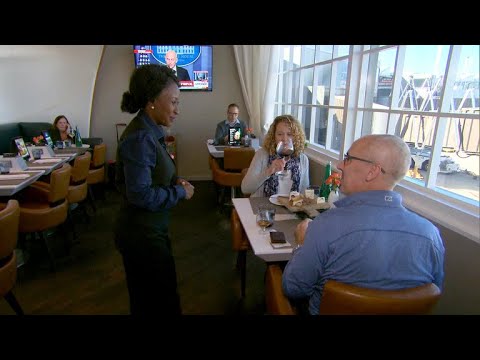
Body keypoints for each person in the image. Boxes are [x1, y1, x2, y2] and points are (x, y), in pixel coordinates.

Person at [282, 134, 445, 315]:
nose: (340, 165)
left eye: (348, 159)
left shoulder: (325, 225)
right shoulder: (431, 235)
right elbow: (431, 291)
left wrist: (301, 244)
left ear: (372, 171)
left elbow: (294, 289)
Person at [114, 64, 195, 315]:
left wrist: (174, 181)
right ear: (151, 101)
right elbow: (140, 195)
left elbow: (153, 173)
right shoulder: (140, 138)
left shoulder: (149, 131)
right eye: (173, 102)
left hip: (150, 230)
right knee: (158, 302)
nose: (177, 110)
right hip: (141, 235)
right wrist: (181, 192)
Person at [241, 114, 309, 197]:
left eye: (289, 134)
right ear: (274, 136)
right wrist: (269, 171)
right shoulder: (262, 154)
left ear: (296, 137)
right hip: (263, 208)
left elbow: (304, 192)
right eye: (280, 134)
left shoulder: (303, 159)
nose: (284, 139)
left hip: (291, 209)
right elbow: (245, 188)